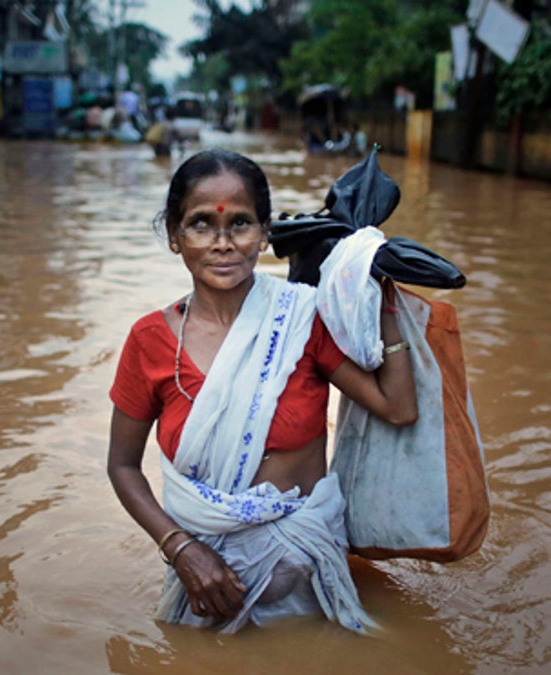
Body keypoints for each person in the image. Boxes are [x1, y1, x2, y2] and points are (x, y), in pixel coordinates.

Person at [107, 149, 419, 633]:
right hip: (206, 587)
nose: (223, 243)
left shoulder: (304, 320)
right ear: (174, 236)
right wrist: (181, 548)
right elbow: (122, 466)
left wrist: (379, 296)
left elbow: (397, 409)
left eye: (241, 224)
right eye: (201, 224)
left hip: (311, 581)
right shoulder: (149, 341)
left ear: (266, 233)